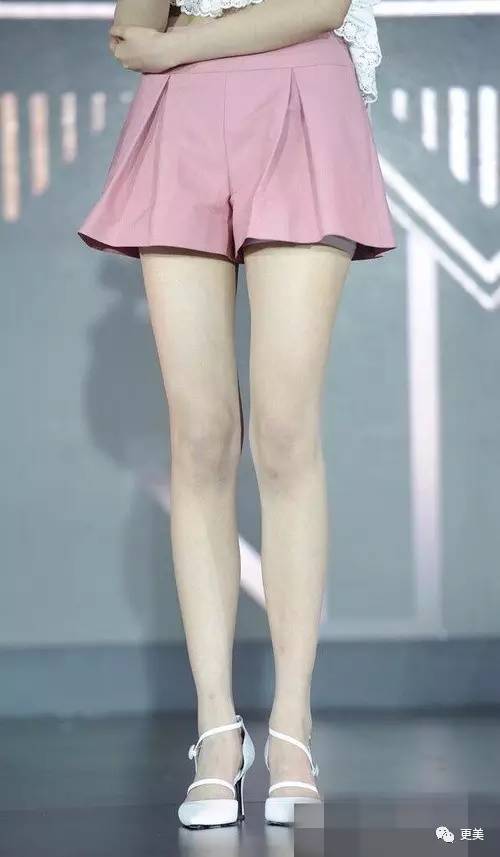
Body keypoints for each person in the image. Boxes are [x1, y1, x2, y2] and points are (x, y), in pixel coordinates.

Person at [77, 0, 397, 829]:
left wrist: (184, 44)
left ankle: (292, 729)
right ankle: (217, 732)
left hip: (302, 92)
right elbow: (132, 32)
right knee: (201, 435)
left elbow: (322, 3)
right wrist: (163, 47)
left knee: (285, 433)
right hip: (182, 111)